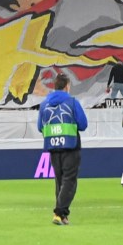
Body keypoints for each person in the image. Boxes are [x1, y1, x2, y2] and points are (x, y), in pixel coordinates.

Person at [37, 71, 87, 225]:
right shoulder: (72, 102)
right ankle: (59, 213)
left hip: (52, 145)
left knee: (59, 181)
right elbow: (83, 124)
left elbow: (40, 127)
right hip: (70, 145)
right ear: (67, 86)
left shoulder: (44, 104)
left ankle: (63, 215)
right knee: (69, 181)